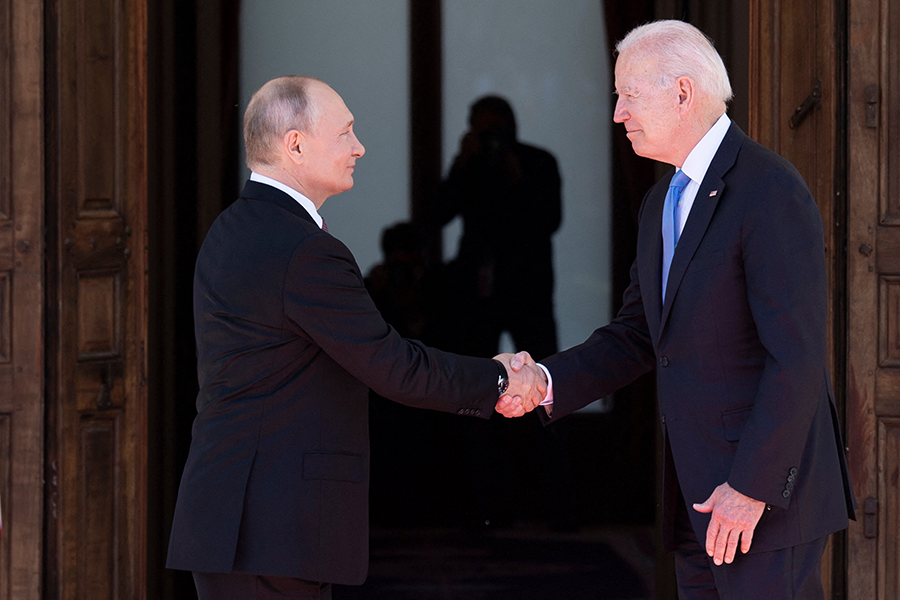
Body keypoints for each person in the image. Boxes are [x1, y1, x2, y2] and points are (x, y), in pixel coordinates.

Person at [501, 20, 856, 599]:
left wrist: (751, 487)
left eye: (629, 95)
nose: (618, 113)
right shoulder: (661, 200)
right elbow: (639, 334)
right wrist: (543, 380)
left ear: (683, 92)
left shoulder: (768, 189)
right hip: (696, 499)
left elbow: (797, 357)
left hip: (759, 503)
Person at [165, 76, 545, 599]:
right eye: (344, 132)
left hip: (238, 520)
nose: (359, 146)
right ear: (295, 145)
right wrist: (500, 378)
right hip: (271, 528)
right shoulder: (304, 250)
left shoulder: (232, 227)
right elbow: (392, 364)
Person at [437, 95, 561, 360]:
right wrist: (461, 163)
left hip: (528, 284)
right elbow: (438, 214)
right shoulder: (470, 165)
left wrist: (518, 178)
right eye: (483, 131)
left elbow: (550, 220)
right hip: (478, 285)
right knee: (475, 370)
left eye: (496, 130)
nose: (492, 139)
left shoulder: (537, 162)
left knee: (543, 368)